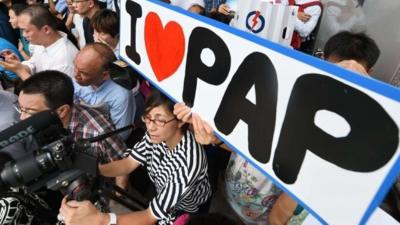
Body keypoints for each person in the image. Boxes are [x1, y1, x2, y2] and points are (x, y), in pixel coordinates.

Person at [60, 89, 211, 225]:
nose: (150, 127)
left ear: (180, 121)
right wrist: (95, 168)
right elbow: (128, 163)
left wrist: (102, 219)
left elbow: (150, 216)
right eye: (148, 117)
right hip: (163, 192)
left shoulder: (188, 163)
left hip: (187, 208)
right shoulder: (157, 134)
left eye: (160, 119)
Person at [173, 103, 307, 225]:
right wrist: (216, 140)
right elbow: (239, 147)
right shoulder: (262, 113)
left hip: (258, 218)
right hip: (226, 194)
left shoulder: (303, 153)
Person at [73, 43, 136, 140]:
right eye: (75, 66)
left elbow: (121, 134)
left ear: (105, 75)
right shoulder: (80, 77)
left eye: (83, 73)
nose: (75, 75)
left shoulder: (120, 96)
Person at [0, 5, 79, 80]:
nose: (24, 35)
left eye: (27, 31)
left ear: (46, 30)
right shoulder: (42, 43)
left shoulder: (63, 60)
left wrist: (20, 71)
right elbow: (33, 64)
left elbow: (47, 93)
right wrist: (18, 65)